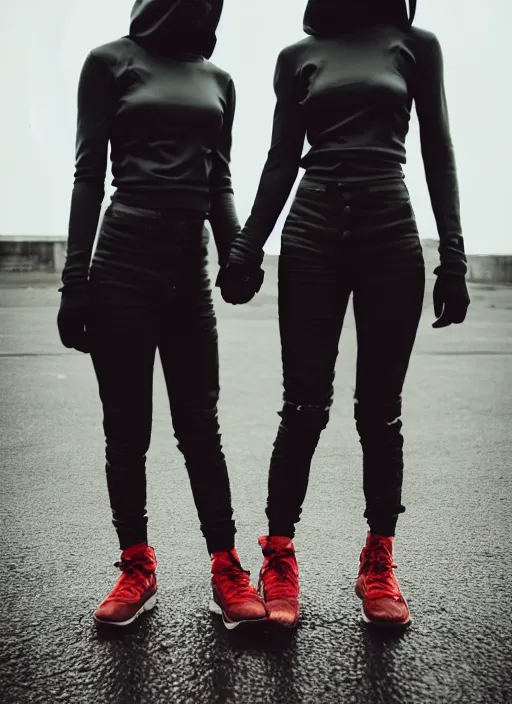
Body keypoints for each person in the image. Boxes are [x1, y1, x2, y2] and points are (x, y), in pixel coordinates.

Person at [217, 0, 470, 629]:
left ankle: (378, 560)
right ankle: (279, 555)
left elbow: (438, 149)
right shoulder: (297, 57)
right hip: (311, 233)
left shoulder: (415, 44)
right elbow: (281, 158)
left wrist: (454, 258)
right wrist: (248, 247)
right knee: (303, 405)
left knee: (379, 412)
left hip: (390, 230)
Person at [57, 0, 268, 630]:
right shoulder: (109, 63)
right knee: (126, 428)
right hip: (122, 260)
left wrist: (236, 253)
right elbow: (88, 175)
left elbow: (220, 180)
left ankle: (226, 566)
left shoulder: (219, 81)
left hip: (189, 269)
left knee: (200, 425)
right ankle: (136, 565)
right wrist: (75, 281)